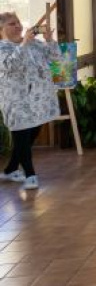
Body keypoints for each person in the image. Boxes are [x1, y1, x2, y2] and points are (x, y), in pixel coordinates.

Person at [0, 12, 59, 190]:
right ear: (1, 29)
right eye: (11, 24)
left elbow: (55, 59)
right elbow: (10, 65)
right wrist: (24, 44)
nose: (17, 26)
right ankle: (30, 174)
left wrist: (49, 41)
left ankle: (10, 169)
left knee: (31, 132)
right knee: (21, 134)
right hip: (16, 100)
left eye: (18, 22)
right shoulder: (3, 48)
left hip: (37, 99)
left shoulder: (34, 43)